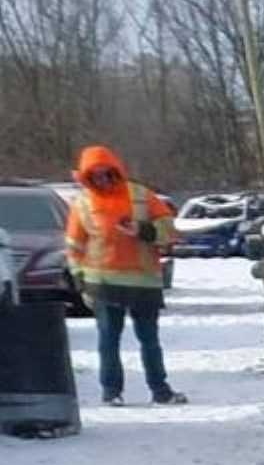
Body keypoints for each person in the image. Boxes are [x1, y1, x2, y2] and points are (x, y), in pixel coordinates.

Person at [63, 145, 185, 407]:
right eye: (94, 175)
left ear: (115, 170)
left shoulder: (142, 196)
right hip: (103, 283)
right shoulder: (82, 204)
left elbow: (170, 231)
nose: (101, 179)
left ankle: (160, 390)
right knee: (108, 340)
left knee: (149, 340)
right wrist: (79, 279)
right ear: (86, 176)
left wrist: (143, 230)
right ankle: (111, 391)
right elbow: (74, 246)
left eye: (106, 173)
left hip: (144, 282)